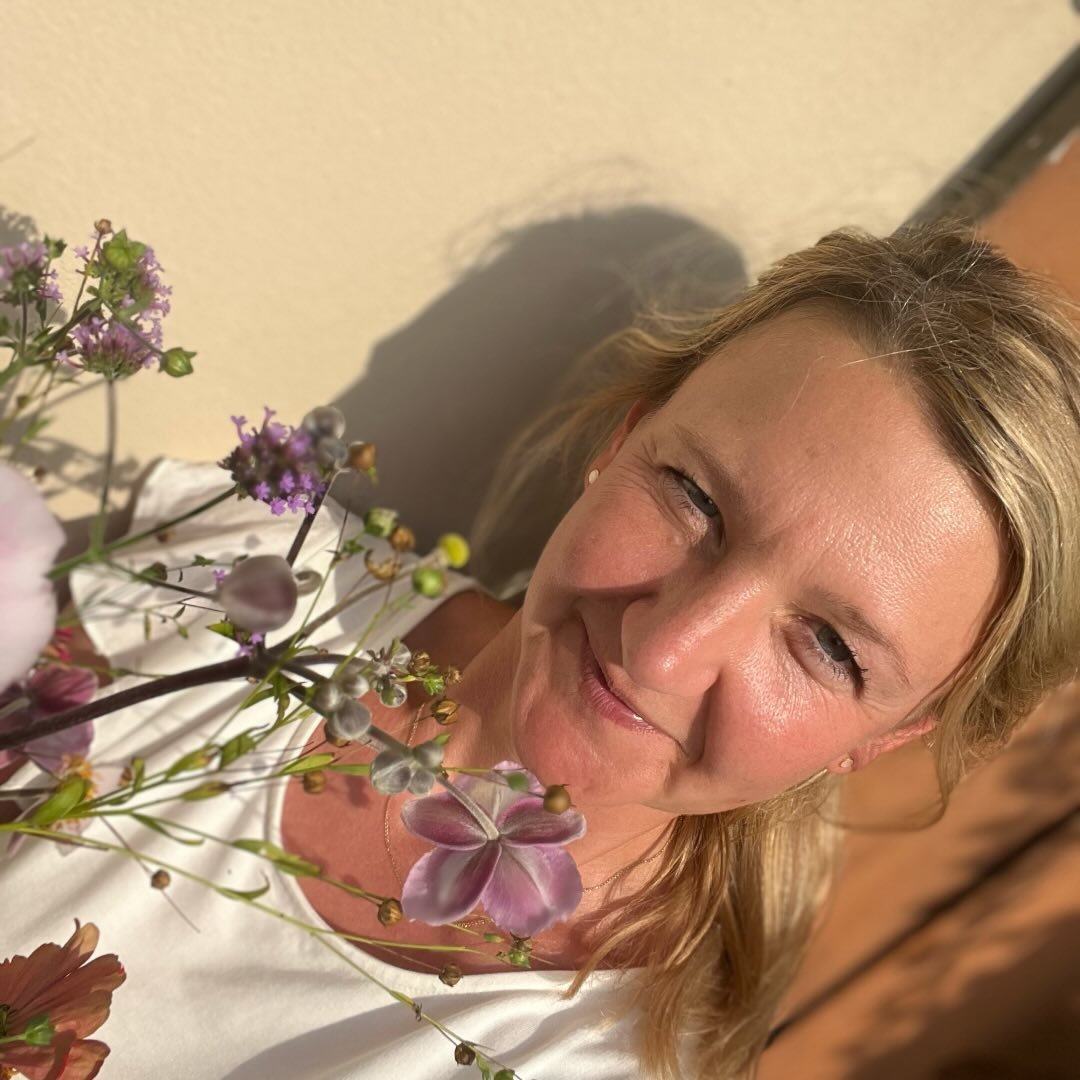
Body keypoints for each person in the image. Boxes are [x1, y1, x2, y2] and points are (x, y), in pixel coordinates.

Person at [2, 218, 1079, 1080]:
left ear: (890, 736)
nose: (665, 649)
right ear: (622, 439)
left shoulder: (575, 1059)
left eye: (832, 647)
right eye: (696, 499)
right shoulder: (245, 578)